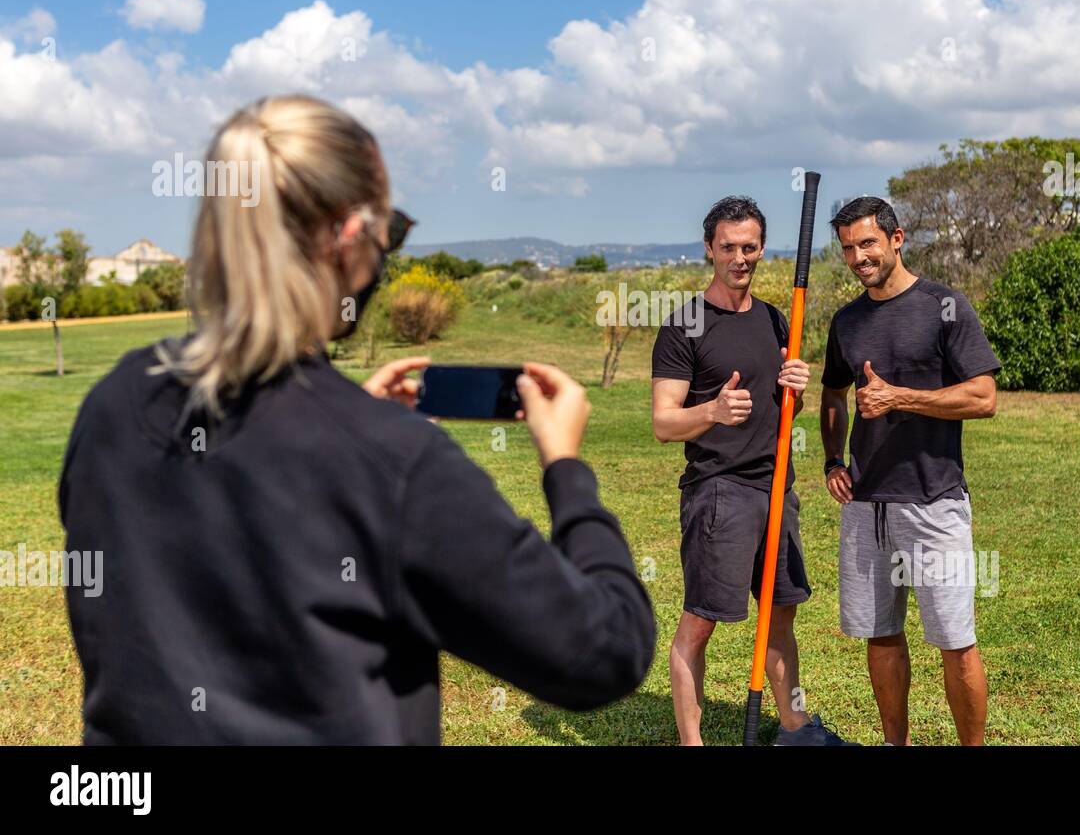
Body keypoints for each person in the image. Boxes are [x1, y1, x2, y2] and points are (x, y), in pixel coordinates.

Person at [58, 95, 655, 744]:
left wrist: (350, 429)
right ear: (348, 236)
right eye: (390, 232)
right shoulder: (395, 465)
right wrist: (566, 469)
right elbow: (604, 652)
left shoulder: (113, 403)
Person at [651, 196, 852, 746]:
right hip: (720, 490)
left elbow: (788, 410)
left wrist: (796, 392)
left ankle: (794, 730)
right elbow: (665, 423)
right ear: (709, 250)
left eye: (750, 247)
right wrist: (712, 411)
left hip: (777, 487)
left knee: (781, 614)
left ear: (762, 248)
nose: (740, 258)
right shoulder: (685, 324)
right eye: (728, 248)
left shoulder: (772, 317)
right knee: (701, 622)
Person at [819, 196, 999, 746]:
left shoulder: (945, 306)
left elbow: (984, 397)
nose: (858, 257)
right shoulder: (847, 321)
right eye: (849, 248)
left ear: (897, 240)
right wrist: (832, 460)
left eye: (868, 243)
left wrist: (900, 397)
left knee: (954, 639)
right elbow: (833, 392)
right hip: (868, 505)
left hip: (933, 501)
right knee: (880, 635)